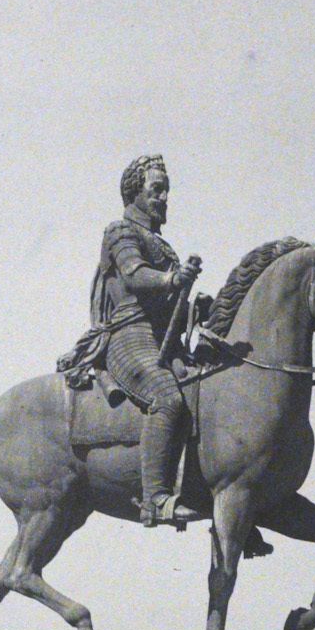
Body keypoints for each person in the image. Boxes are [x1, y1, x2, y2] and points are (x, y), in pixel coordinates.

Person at [85, 156, 202, 527]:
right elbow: (135, 276)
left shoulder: (163, 246)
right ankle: (155, 500)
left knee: (209, 394)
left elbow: (172, 305)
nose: (164, 197)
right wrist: (172, 281)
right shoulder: (120, 232)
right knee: (166, 398)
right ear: (134, 192)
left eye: (166, 190)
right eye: (157, 189)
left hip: (165, 342)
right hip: (128, 335)